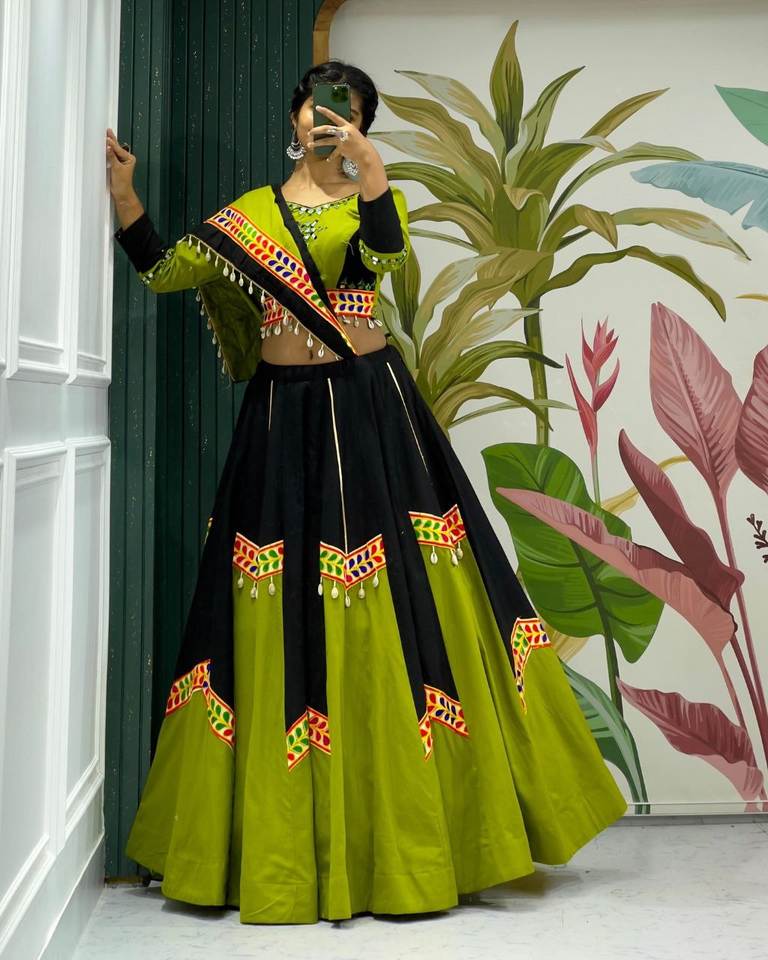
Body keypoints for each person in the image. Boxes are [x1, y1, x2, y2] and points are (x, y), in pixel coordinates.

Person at [106, 59, 627, 926]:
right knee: (276, 611)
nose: (327, 119)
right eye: (317, 106)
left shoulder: (372, 199)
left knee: (413, 603)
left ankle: (423, 837)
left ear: (361, 123)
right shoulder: (250, 216)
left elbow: (387, 254)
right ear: (294, 114)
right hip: (281, 424)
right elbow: (164, 272)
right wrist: (126, 198)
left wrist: (371, 171)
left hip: (372, 415)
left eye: (345, 111)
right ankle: (278, 846)